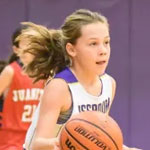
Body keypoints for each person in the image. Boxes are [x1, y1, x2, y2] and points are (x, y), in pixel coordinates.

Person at [17, 9, 142, 150]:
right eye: (93, 44)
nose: (103, 50)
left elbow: (99, 137)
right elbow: (37, 144)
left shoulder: (109, 84)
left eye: (106, 42)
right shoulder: (60, 88)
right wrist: (67, 141)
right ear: (71, 49)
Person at [0, 25, 44, 150]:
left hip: (35, 138)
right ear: (16, 49)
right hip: (11, 141)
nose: (30, 46)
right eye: (26, 42)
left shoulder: (46, 73)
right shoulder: (10, 71)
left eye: (33, 41)